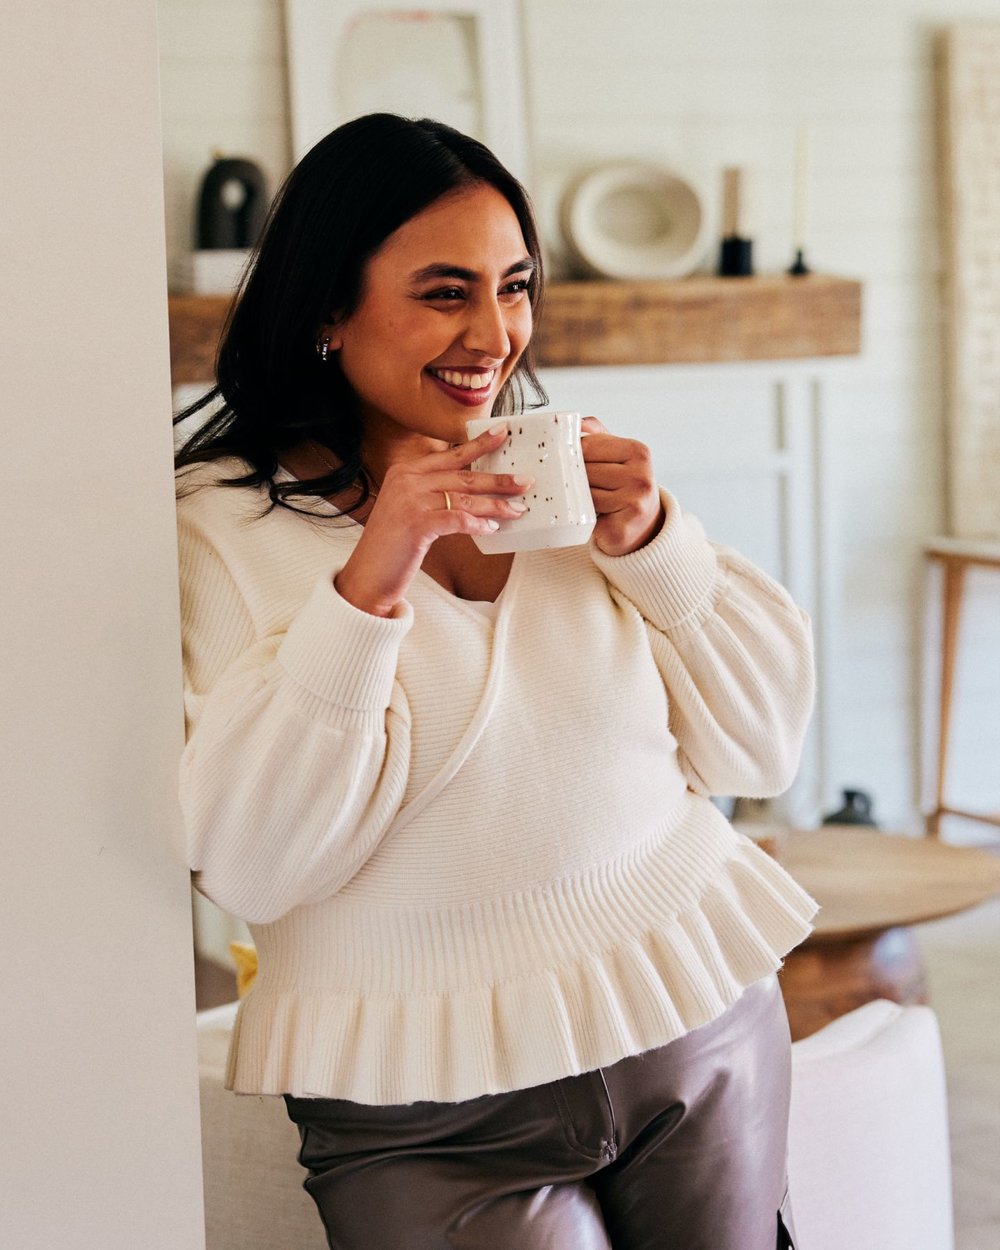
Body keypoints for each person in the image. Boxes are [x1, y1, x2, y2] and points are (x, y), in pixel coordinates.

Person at [175, 112, 816, 1250]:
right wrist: (372, 579)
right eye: (443, 290)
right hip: (425, 1108)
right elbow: (256, 862)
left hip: (691, 1019)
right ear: (328, 305)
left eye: (513, 285)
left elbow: (763, 749)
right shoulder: (215, 535)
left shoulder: (560, 482)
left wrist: (658, 542)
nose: (495, 333)